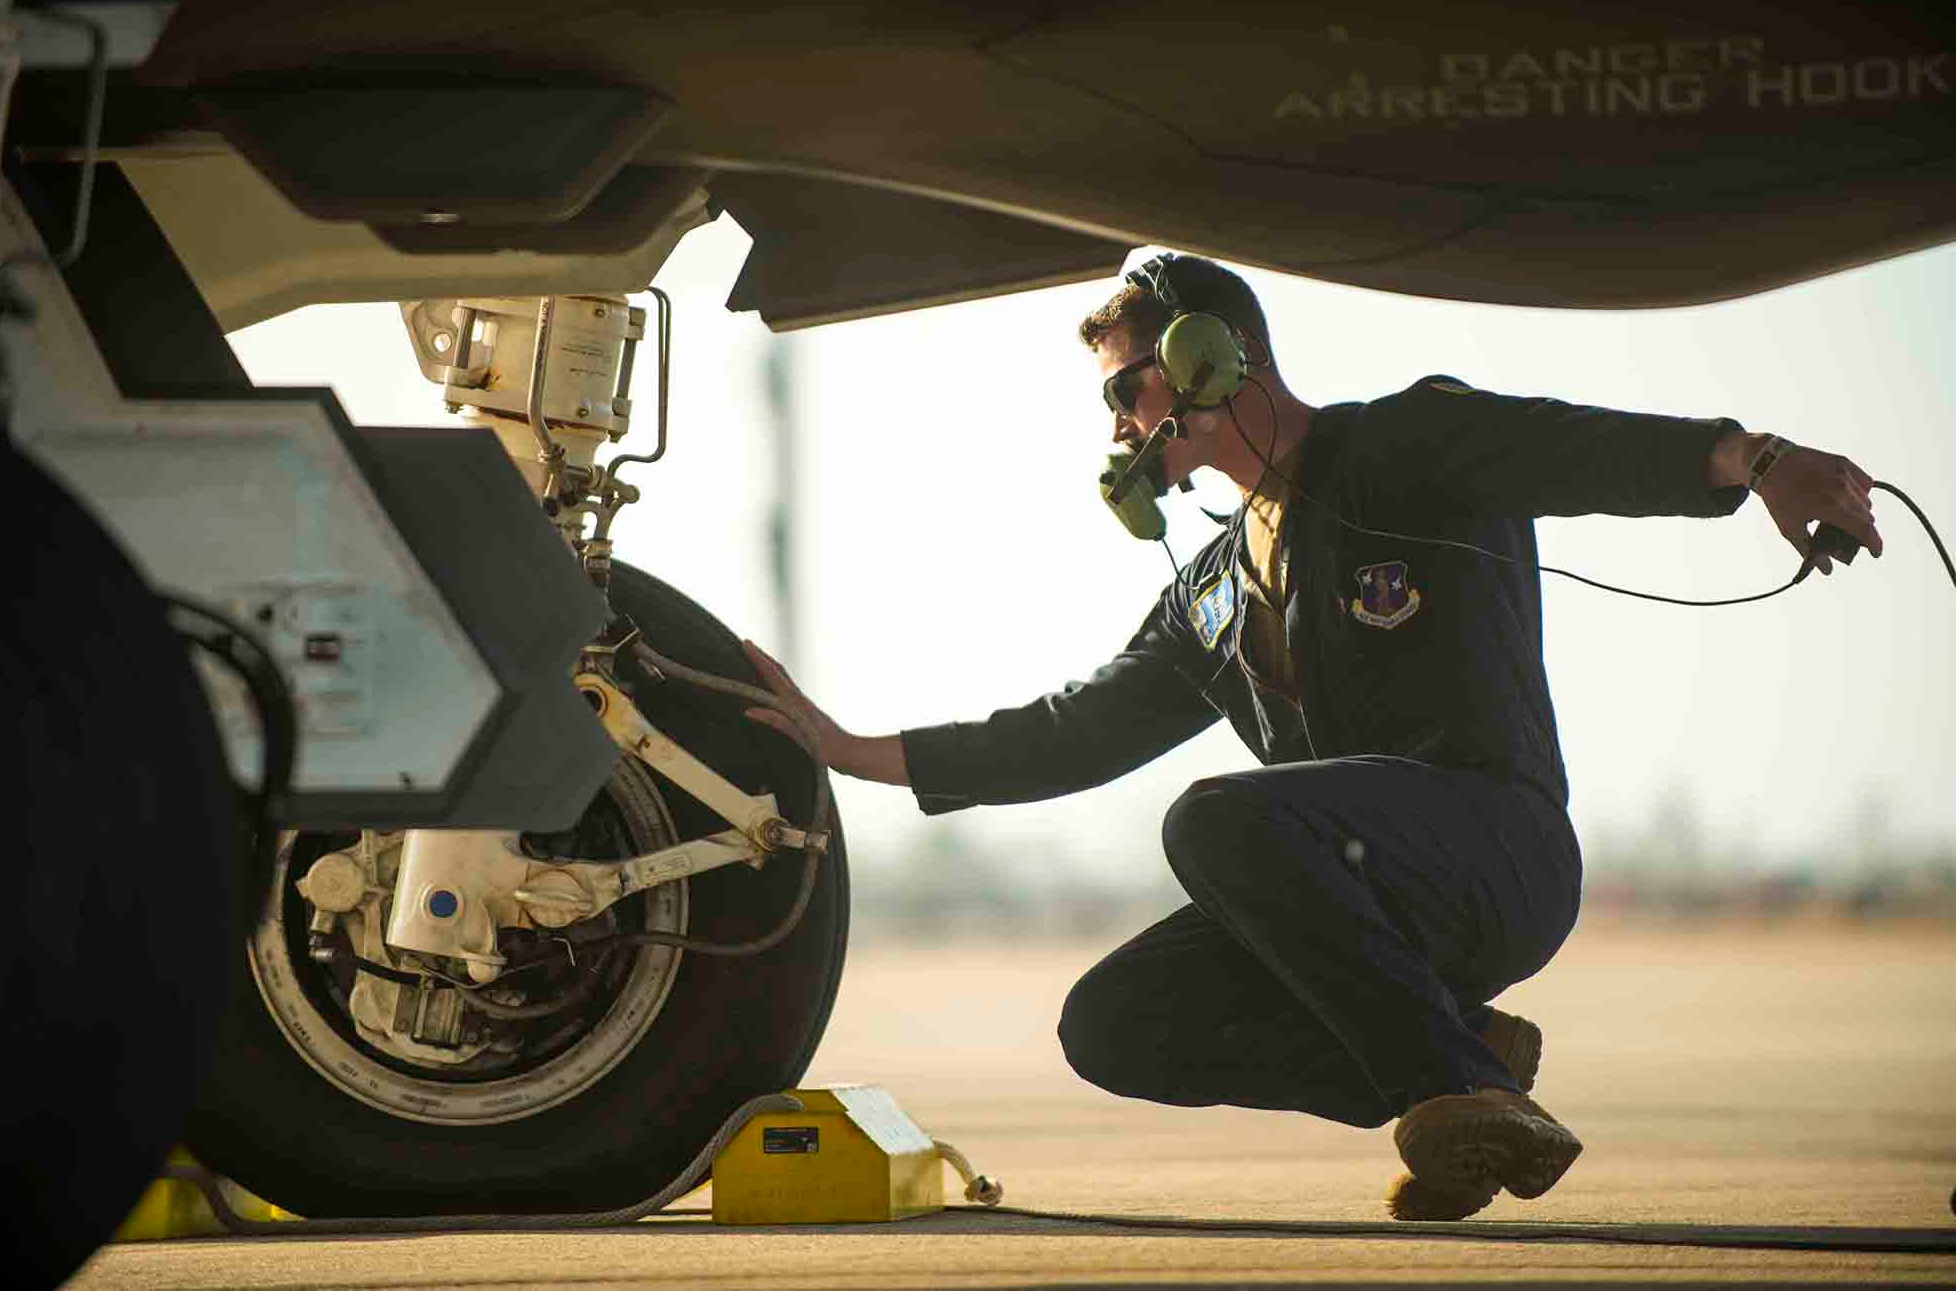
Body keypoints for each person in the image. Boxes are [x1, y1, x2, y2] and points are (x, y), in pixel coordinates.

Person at [741, 254, 1883, 1221]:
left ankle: (1449, 1087)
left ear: (1207, 357)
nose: (1119, 421)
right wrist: (849, 748)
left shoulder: (1402, 446)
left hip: (1495, 851)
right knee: (1112, 1024)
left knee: (1210, 819)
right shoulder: (1211, 588)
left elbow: (1562, 448)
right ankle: (1467, 1064)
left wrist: (1756, 462)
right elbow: (1074, 731)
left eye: (1127, 388)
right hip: (1369, 901)